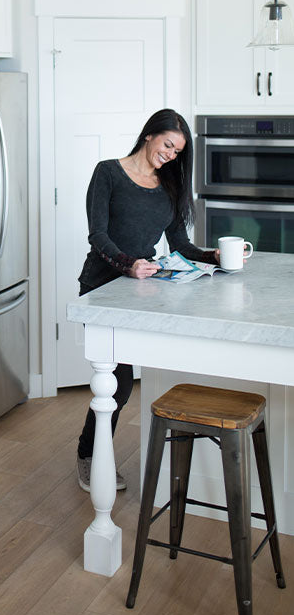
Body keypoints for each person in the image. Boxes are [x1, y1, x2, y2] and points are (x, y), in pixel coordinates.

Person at [75, 108, 218, 493]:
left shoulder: (168, 187)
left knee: (135, 378)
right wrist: (129, 264)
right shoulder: (108, 172)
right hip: (102, 287)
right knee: (118, 386)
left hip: (139, 290)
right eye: (168, 145)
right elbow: (98, 236)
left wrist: (214, 257)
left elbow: (181, 245)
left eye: (176, 152)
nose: (170, 155)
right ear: (150, 135)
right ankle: (89, 457)